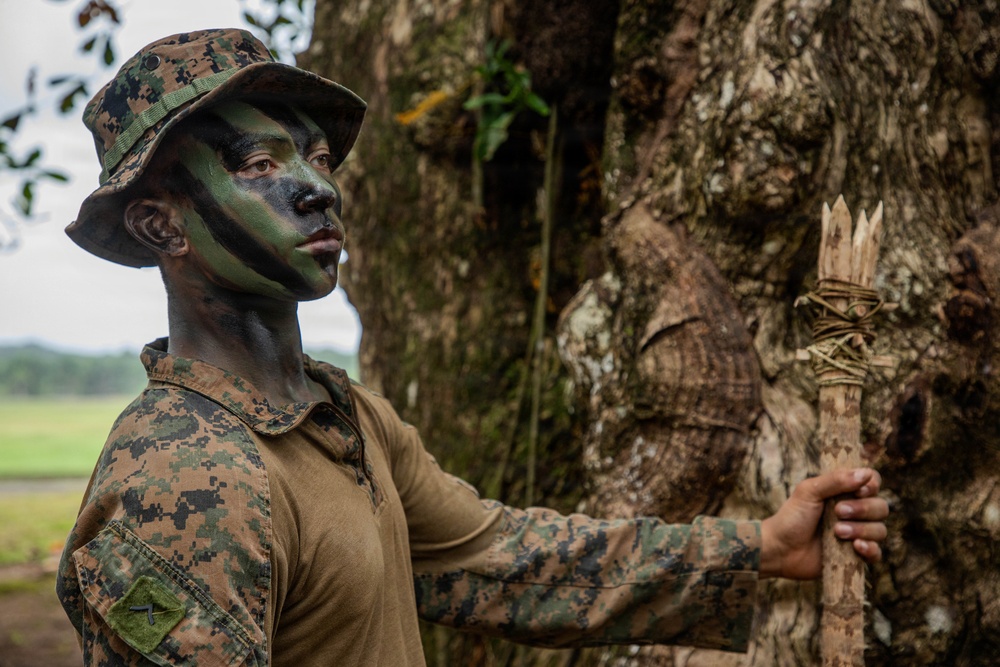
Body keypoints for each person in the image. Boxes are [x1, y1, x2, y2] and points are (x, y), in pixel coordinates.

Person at [56, 29, 888, 666]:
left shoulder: (343, 420)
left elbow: (510, 560)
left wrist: (765, 548)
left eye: (314, 155)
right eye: (261, 162)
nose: (318, 187)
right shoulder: (177, 477)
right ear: (161, 223)